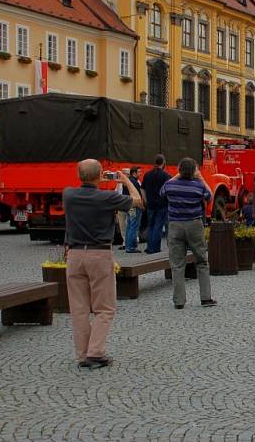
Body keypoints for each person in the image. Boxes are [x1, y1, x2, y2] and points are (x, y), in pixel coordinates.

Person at [63, 159, 141, 369]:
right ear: (100, 176)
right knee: (104, 308)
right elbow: (137, 200)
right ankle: (95, 353)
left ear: (79, 176)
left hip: (75, 255)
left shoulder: (68, 195)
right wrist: (126, 180)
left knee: (79, 309)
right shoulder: (107, 198)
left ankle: (82, 355)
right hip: (99, 254)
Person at [160, 157, 215, 310]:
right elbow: (210, 196)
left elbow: (161, 192)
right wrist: (201, 177)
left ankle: (179, 301)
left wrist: (177, 175)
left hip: (175, 225)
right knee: (202, 261)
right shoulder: (198, 187)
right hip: (194, 225)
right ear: (194, 172)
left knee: (177, 264)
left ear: (179, 170)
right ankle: (205, 298)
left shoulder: (170, 185)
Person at [142, 154, 171, 254]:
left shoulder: (147, 174)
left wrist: (145, 200)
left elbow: (142, 188)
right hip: (162, 205)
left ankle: (149, 247)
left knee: (150, 226)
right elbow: (168, 190)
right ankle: (155, 248)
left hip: (150, 205)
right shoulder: (165, 175)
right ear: (163, 163)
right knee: (158, 226)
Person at [117, 167, 143, 253]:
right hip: (134, 206)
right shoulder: (134, 182)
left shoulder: (127, 182)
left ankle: (128, 245)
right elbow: (138, 196)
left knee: (129, 225)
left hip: (128, 206)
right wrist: (141, 206)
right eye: (139, 172)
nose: (140, 174)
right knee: (133, 226)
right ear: (134, 173)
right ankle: (131, 247)